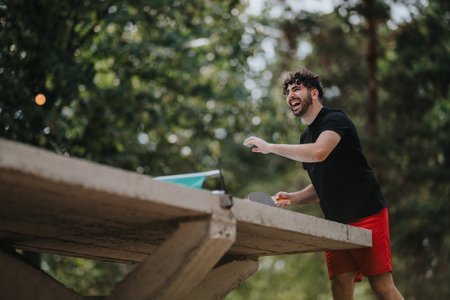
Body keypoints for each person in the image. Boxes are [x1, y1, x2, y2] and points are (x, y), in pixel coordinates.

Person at [243, 69, 404, 300]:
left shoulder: (335, 119)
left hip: (368, 213)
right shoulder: (304, 138)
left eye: (296, 88)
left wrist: (271, 147)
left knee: (381, 286)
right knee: (339, 287)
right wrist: (292, 196)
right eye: (288, 92)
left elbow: (319, 153)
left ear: (314, 93)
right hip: (336, 223)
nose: (290, 95)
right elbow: (322, 185)